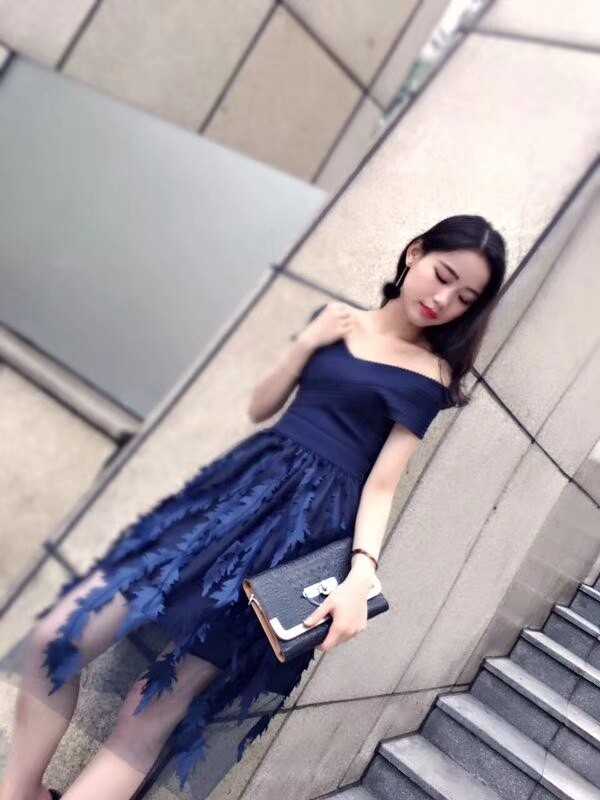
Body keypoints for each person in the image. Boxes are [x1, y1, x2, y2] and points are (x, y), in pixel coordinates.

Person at [0, 214, 506, 800]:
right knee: (57, 638)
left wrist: (361, 574)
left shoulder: (430, 375)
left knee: (150, 708)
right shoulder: (334, 320)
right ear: (415, 252)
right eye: (442, 276)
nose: (443, 300)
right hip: (230, 498)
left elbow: (382, 485)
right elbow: (262, 407)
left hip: (297, 534)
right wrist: (307, 344)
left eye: (464, 298)